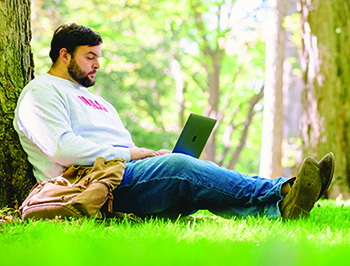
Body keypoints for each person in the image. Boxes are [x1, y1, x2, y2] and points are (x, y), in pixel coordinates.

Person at [13, 23, 335, 220]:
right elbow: (60, 147)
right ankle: (285, 190)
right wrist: (134, 155)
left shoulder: (100, 102)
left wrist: (153, 155)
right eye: (90, 57)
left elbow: (126, 149)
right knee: (181, 169)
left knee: (184, 169)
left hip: (122, 174)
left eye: (99, 56)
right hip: (92, 186)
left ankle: (283, 206)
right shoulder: (40, 91)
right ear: (64, 55)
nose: (98, 64)